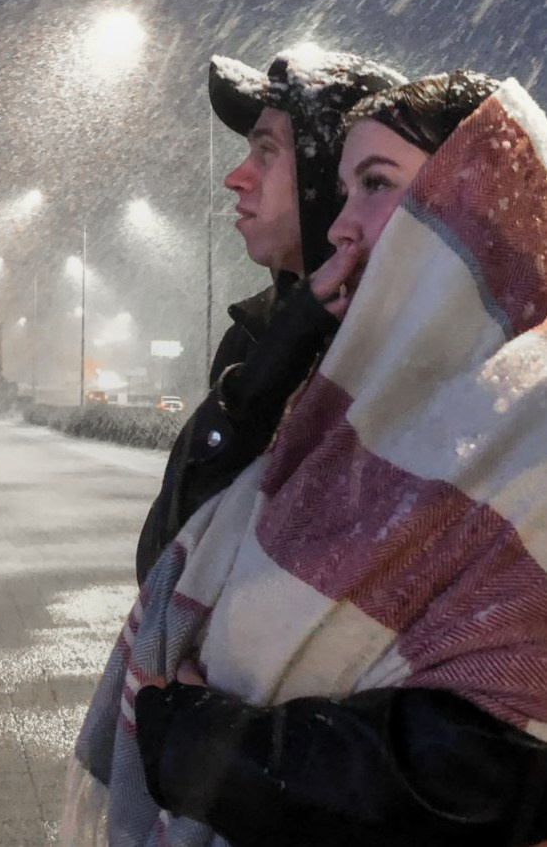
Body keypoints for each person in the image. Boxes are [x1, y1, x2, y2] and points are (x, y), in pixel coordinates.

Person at [63, 70, 547, 846]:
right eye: (345, 186)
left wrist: (221, 752)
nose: (340, 225)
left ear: (479, 204)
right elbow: (181, 556)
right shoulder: (357, 411)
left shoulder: (522, 424)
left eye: (377, 183)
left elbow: (493, 765)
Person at [135, 44, 407, 584]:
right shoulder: (257, 339)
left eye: (265, 153)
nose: (236, 177)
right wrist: (278, 356)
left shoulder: (413, 348)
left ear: (327, 173)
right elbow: (168, 563)